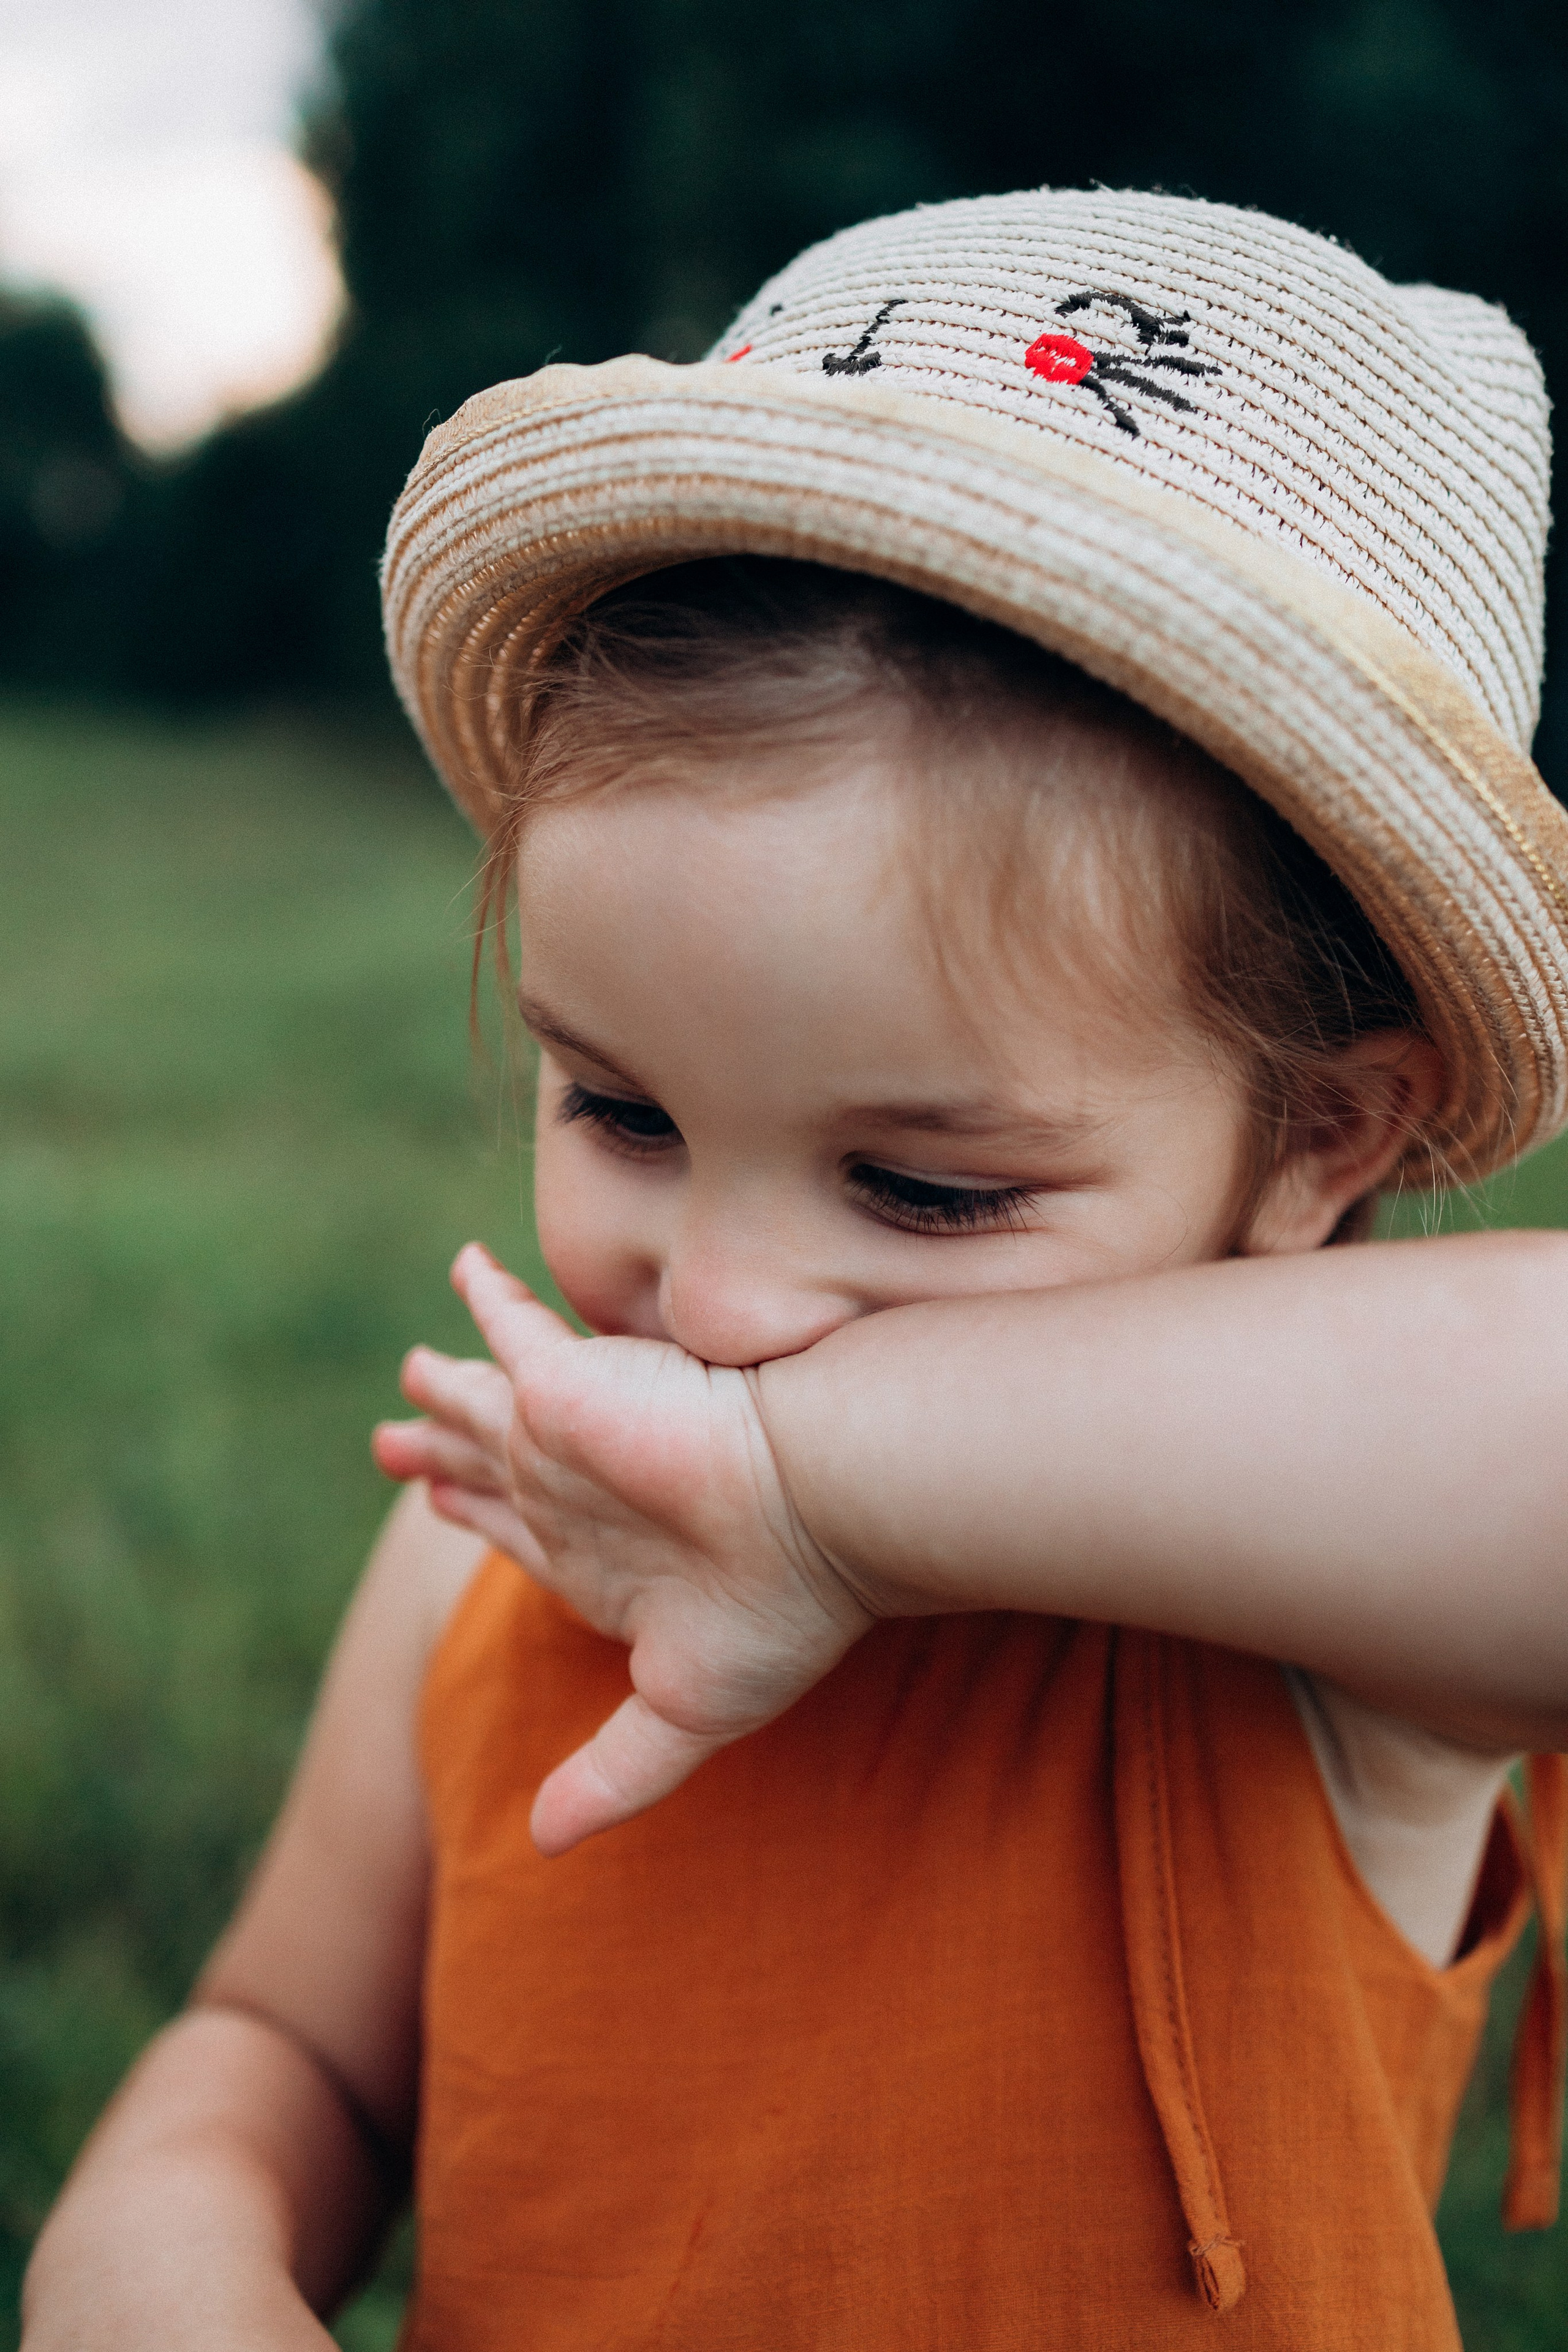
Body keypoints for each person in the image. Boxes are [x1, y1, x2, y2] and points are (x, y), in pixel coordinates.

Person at [22, 189, 1568, 2351]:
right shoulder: (502, 1532)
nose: (722, 1306)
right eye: (622, 1114)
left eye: (925, 1191)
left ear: (1323, 1136)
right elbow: (296, 2042)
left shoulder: (1318, 1636)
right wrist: (158, 2239)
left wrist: (823, 1493)